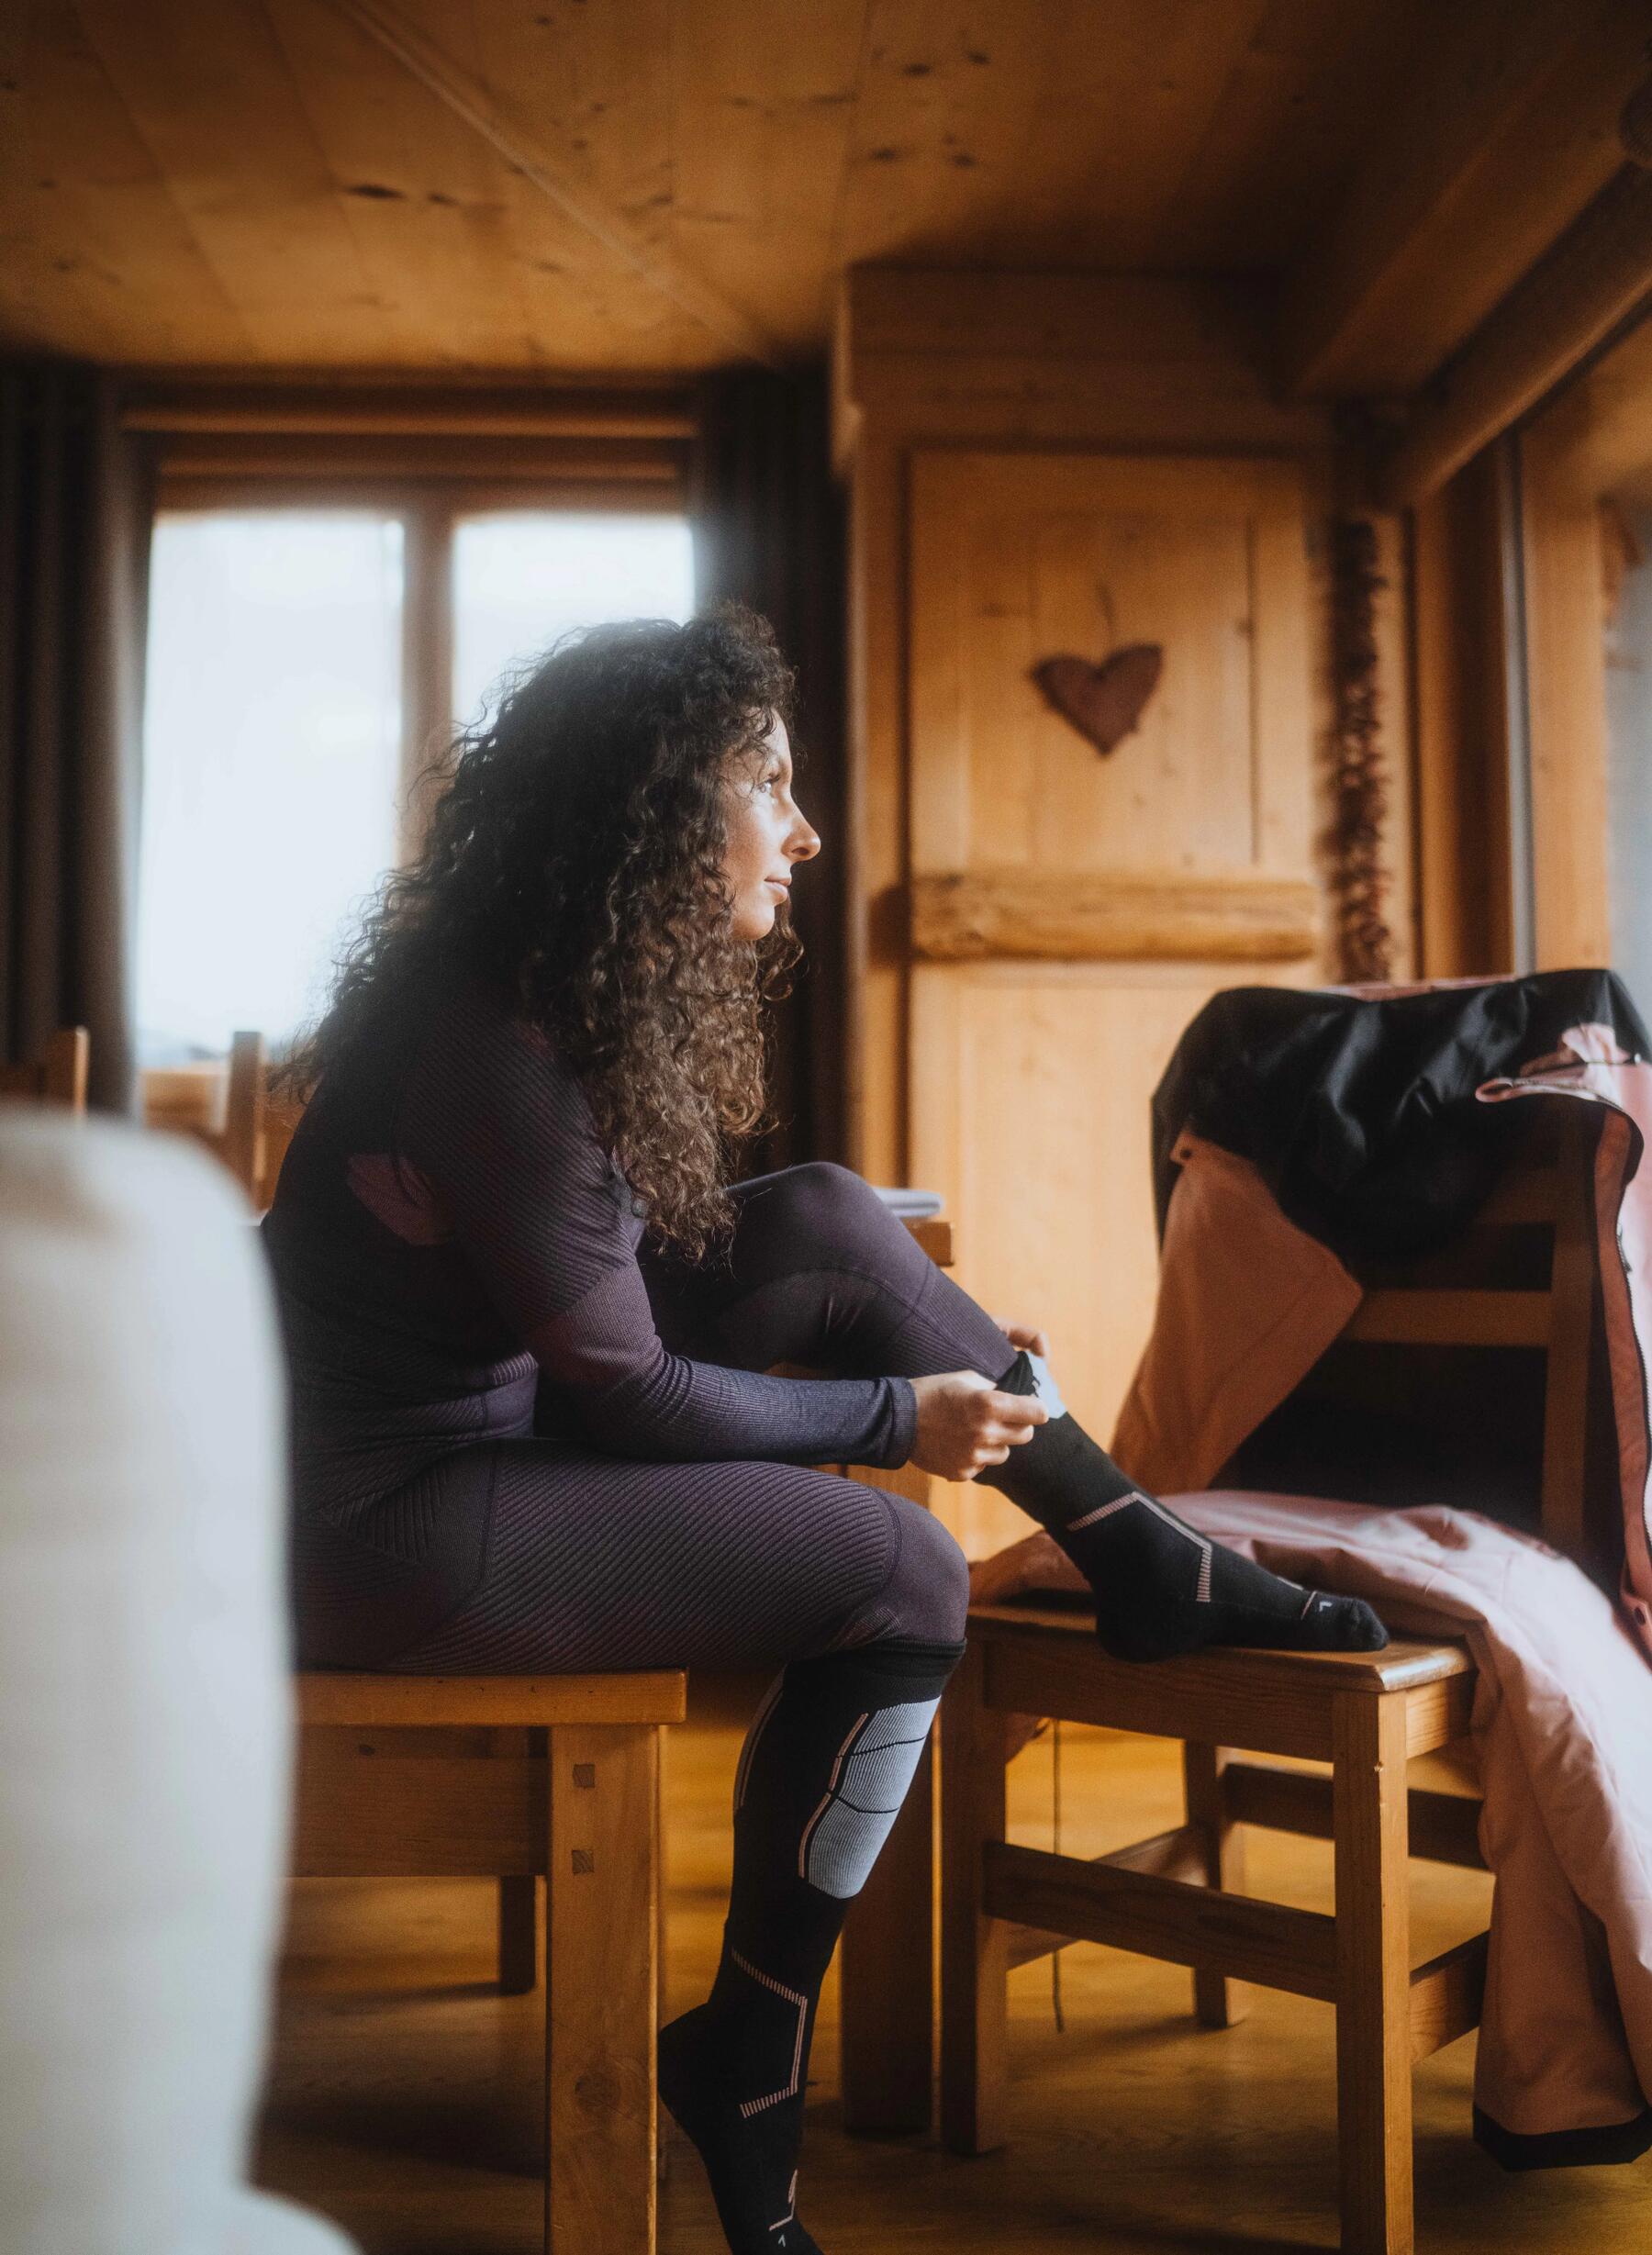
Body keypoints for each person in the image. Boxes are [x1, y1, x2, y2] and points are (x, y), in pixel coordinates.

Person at [263, 608, 1384, 2255]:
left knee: (835, 1221)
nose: (802, 827)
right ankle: (748, 2057)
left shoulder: (538, 988)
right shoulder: (498, 1053)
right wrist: (899, 1417)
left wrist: (923, 1372)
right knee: (904, 1570)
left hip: (479, 1432)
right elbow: (631, 1392)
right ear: (650, 811)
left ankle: (1144, 1553)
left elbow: (622, 1305)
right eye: (767, 782)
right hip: (381, 1528)